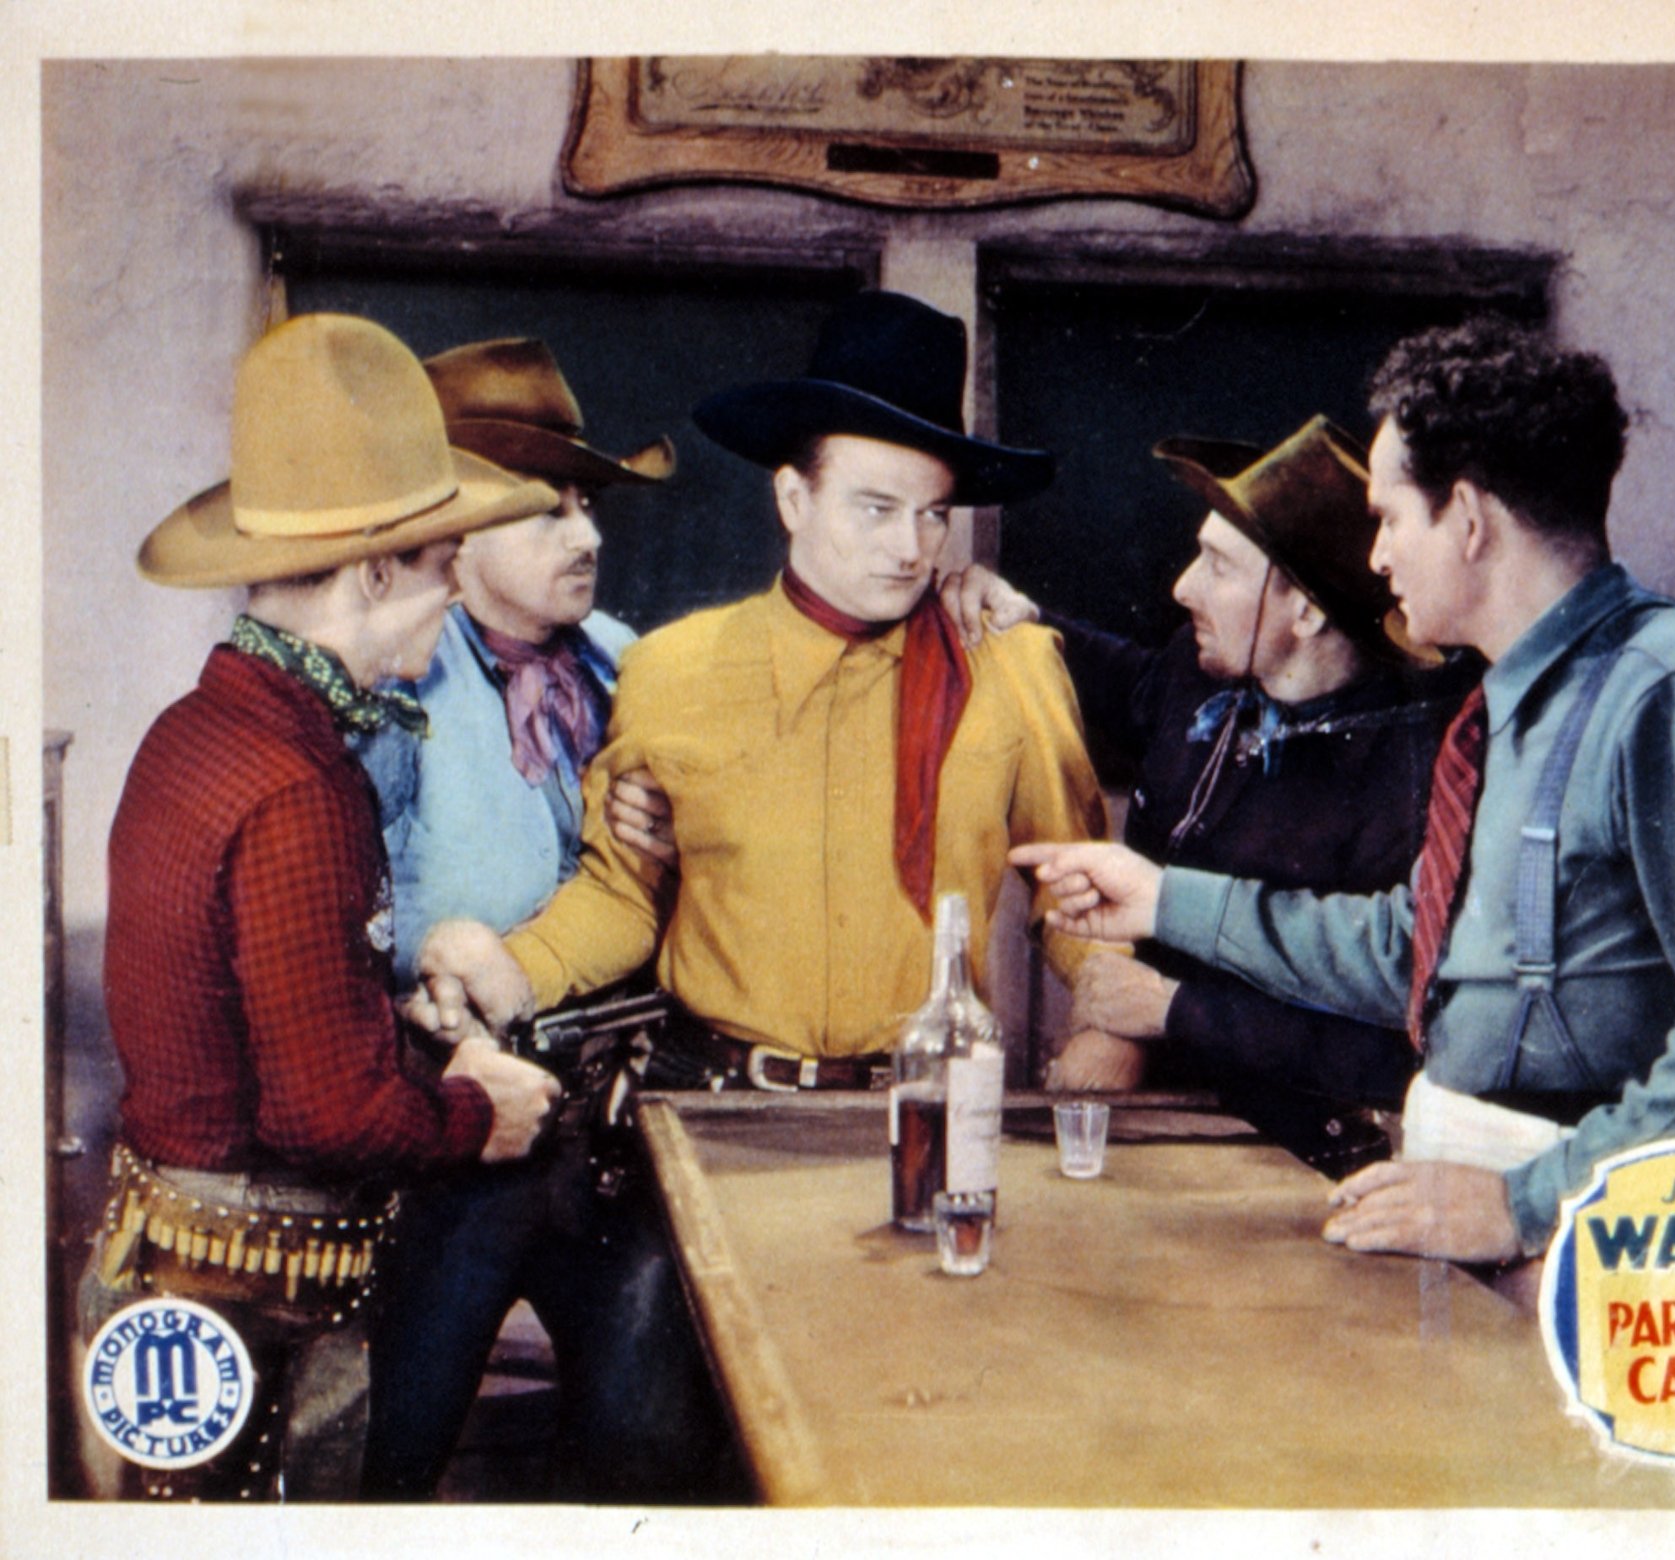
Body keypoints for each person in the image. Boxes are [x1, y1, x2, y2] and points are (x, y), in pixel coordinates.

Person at [1012, 316, 1675, 1273]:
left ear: (1466, 519)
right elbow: (1415, 953)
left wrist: (1524, 1203)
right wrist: (1165, 897)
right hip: (1493, 1208)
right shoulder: (1504, 709)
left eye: (1388, 519)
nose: (1373, 559)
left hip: (1614, 1240)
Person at [82, 313, 561, 1501]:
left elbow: (246, 1021)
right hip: (260, 1312)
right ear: (375, 569)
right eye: (443, 563)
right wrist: (475, 1117)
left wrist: (387, 1014)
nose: (454, 593)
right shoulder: (302, 783)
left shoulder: (195, 731)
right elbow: (326, 1118)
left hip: (159, 1272)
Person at [416, 290, 1113, 1094]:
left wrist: (1109, 1026)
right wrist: (507, 974)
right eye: (877, 508)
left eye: (933, 515)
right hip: (717, 1109)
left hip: (929, 1111)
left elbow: (1080, 889)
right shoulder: (671, 671)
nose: (911, 547)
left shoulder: (1009, 663)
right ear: (793, 499)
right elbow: (623, 896)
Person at [351, 340, 723, 1502]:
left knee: (646, 1454)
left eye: (589, 506)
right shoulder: (391, 675)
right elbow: (339, 890)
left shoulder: (626, 664)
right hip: (452, 1127)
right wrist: (435, 942)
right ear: (453, 532)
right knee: (393, 1450)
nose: (588, 537)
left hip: (614, 1127)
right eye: (548, 511)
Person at [942, 415, 1477, 1174]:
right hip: (1153, 1115)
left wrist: (1168, 1015)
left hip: (1306, 1156)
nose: (1181, 586)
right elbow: (1128, 680)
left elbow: (1397, 1038)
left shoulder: (1412, 774)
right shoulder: (1199, 673)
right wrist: (1019, 613)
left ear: (1307, 611)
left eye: (1218, 568)